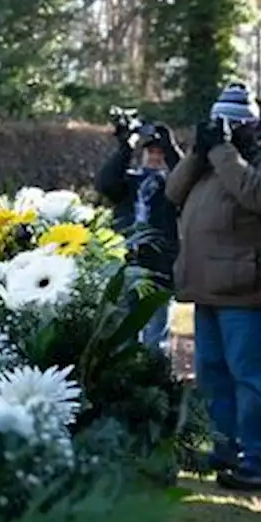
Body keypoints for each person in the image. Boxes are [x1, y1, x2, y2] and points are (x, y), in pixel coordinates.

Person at [165, 83, 261, 492]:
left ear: (252, 124)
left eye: (231, 123)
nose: (223, 129)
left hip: (246, 287)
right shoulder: (212, 158)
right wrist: (198, 152)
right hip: (205, 286)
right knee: (213, 377)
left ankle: (255, 460)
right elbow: (173, 192)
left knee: (251, 377)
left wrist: (225, 152)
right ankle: (224, 450)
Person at [95, 112, 183, 355]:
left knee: (157, 332)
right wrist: (125, 147)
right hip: (125, 260)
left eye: (159, 154)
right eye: (150, 152)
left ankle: (156, 380)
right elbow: (105, 184)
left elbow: (187, 180)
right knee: (122, 329)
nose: (155, 157)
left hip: (159, 264)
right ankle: (126, 378)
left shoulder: (172, 187)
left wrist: (172, 148)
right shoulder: (128, 183)